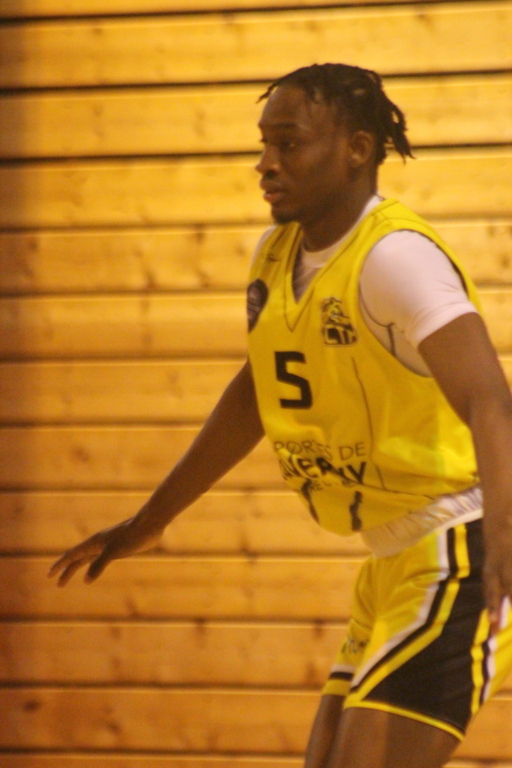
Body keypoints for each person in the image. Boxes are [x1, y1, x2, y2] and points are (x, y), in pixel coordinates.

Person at [49, 63, 512, 768]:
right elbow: (257, 392)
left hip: (461, 546)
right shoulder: (278, 256)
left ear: (357, 149)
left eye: (288, 144)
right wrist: (152, 518)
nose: (265, 163)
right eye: (263, 144)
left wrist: (505, 536)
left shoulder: (394, 258)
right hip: (392, 559)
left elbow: (490, 400)